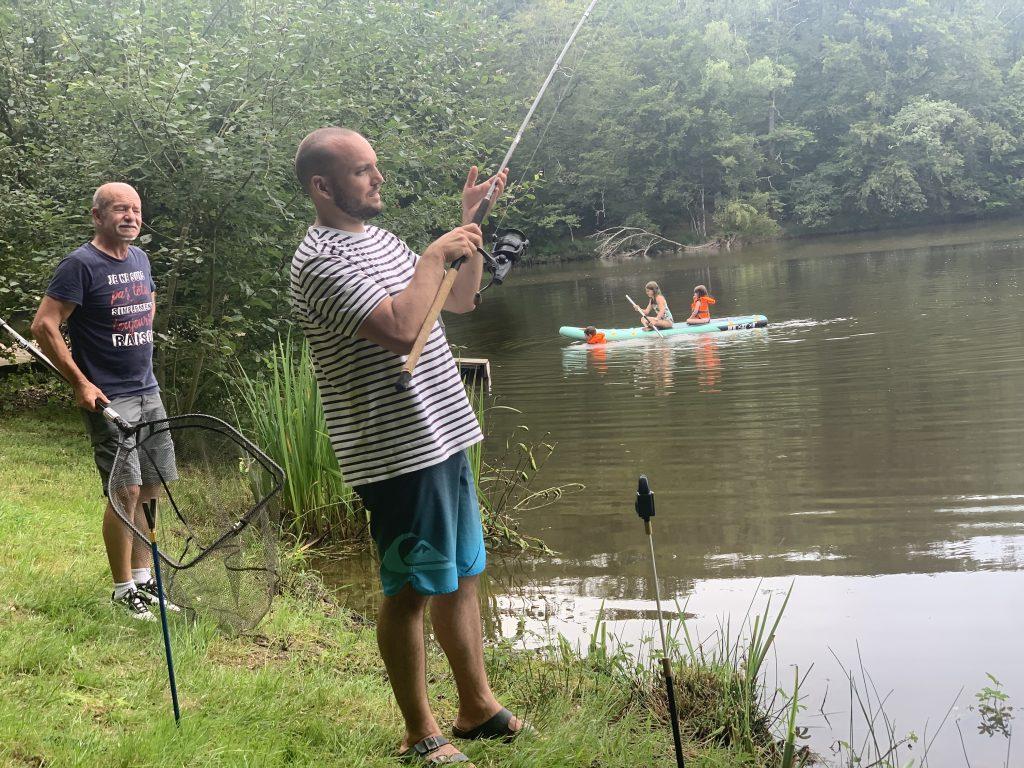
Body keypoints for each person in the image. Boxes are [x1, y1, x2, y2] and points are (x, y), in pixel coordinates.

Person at [290, 127, 526, 766]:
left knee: (464, 575)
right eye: (364, 171)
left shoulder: (381, 241)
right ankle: (419, 732)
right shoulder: (318, 262)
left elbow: (463, 301)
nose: (378, 179)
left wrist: (469, 225)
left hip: (444, 432)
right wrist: (430, 257)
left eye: (375, 167)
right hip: (395, 454)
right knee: (412, 589)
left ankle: (476, 705)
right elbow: (400, 329)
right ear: (323, 186)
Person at [30, 182, 178, 622]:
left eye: (135, 209)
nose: (130, 216)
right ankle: (122, 588)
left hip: (147, 388)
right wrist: (80, 382)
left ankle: (144, 577)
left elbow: (146, 299)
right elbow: (44, 325)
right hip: (108, 397)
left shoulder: (140, 258)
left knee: (152, 484)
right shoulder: (80, 265)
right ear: (97, 216)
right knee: (125, 489)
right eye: (119, 209)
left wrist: (140, 325)